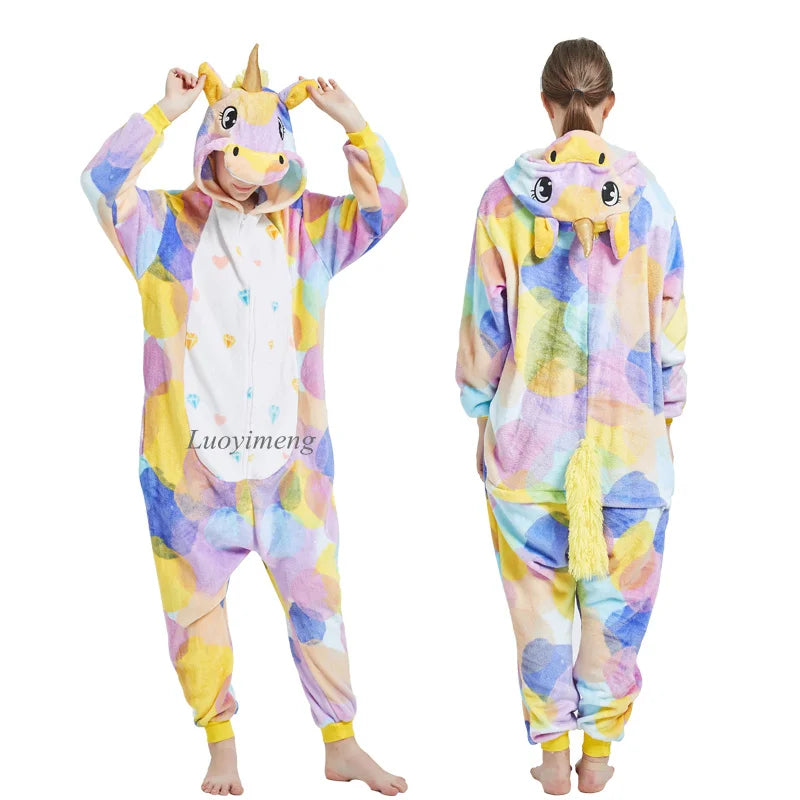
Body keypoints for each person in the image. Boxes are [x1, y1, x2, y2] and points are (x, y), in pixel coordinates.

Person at [80, 44, 408, 797]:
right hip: (189, 470)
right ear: (210, 146)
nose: (250, 172)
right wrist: (164, 111)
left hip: (291, 466)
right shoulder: (161, 225)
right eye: (234, 151)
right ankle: (221, 744)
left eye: (268, 156)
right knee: (193, 612)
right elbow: (100, 182)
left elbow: (386, 206)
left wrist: (352, 122)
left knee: (318, 602)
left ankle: (340, 742)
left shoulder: (309, 229)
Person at [455, 37, 687, 795]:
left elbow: (484, 330)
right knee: (617, 615)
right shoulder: (650, 201)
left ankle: (552, 757)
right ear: (608, 103)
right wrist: (666, 415)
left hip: (527, 449)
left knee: (538, 615)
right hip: (630, 455)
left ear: (547, 104)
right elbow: (670, 327)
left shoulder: (503, 201)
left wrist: (482, 414)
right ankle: (598, 758)